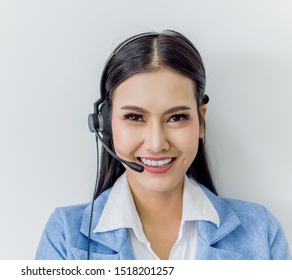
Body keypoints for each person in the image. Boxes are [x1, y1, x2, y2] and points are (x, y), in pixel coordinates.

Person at [35, 30, 291, 260]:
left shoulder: (261, 231)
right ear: (106, 124)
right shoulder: (65, 236)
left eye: (176, 117)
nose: (156, 144)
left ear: (200, 122)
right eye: (134, 117)